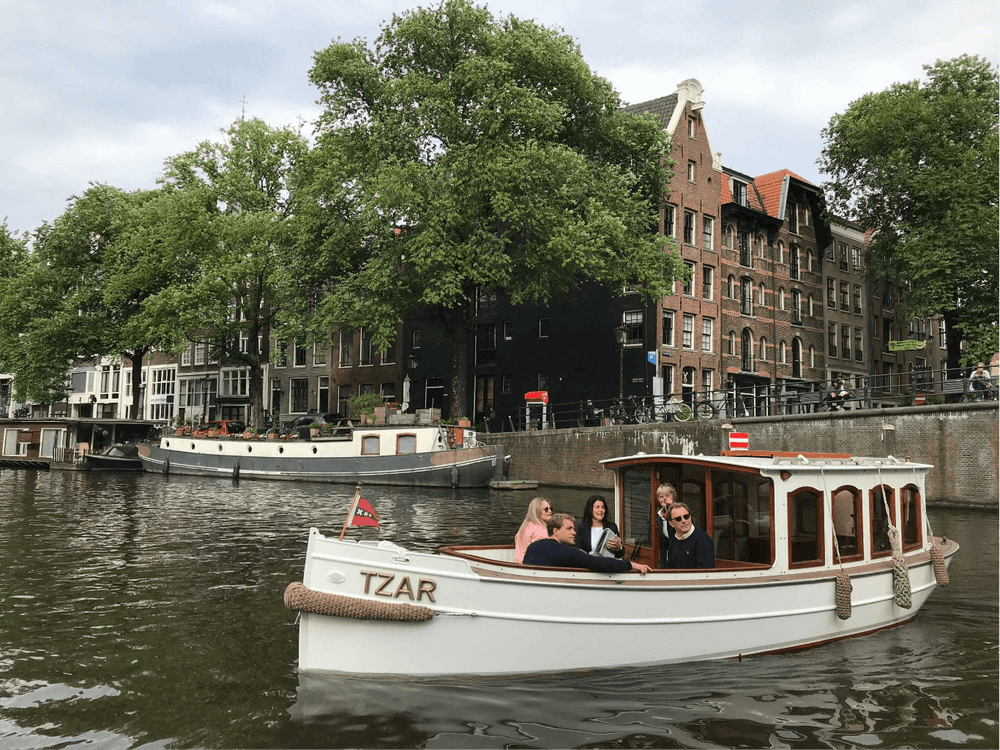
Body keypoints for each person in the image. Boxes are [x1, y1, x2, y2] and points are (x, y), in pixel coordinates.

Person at [523, 514, 651, 575]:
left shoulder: (532, 547)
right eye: (569, 529)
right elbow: (598, 563)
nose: (574, 533)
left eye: (574, 529)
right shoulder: (565, 552)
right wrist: (631, 564)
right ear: (555, 531)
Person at [664, 502, 715, 569]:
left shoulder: (703, 539)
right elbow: (670, 568)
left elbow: (705, 572)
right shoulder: (673, 540)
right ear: (671, 523)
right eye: (678, 519)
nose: (684, 521)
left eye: (686, 517)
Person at [513, 497, 553, 564]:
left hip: (519, 564)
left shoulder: (526, 526)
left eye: (550, 509)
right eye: (546, 509)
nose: (550, 511)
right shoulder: (540, 529)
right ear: (537, 511)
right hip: (531, 566)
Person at [654, 482, 677, 568]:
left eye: (667, 495)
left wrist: (670, 507)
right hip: (667, 557)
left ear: (673, 496)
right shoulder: (660, 517)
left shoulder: (681, 511)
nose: (664, 499)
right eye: (661, 496)